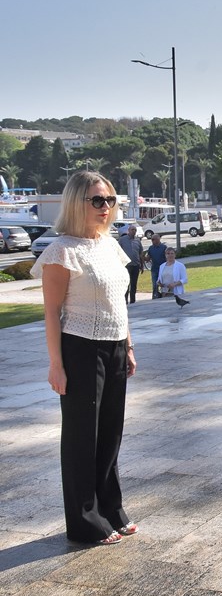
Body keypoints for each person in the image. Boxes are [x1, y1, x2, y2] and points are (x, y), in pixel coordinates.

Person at [31, 170, 139, 546]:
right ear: (77, 203)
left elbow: (118, 303)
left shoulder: (110, 245)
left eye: (110, 199)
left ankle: (110, 508)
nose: (105, 207)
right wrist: (56, 364)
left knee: (110, 434)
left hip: (114, 346)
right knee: (82, 438)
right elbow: (51, 312)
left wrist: (128, 346)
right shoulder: (62, 251)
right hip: (80, 349)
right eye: (96, 200)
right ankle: (84, 521)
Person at [119, 223, 144, 304]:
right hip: (126, 266)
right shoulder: (122, 240)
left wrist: (142, 265)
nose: (134, 231)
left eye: (135, 230)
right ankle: (125, 301)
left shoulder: (137, 240)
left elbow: (141, 253)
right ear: (128, 230)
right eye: (132, 230)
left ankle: (133, 301)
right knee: (126, 283)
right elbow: (118, 252)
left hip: (136, 265)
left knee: (134, 283)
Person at [145, 233, 168, 299]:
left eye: (153, 239)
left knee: (164, 284)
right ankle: (155, 297)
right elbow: (148, 258)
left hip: (163, 269)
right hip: (154, 269)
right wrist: (143, 257)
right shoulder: (151, 248)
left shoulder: (164, 247)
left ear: (158, 239)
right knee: (155, 285)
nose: (152, 241)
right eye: (151, 239)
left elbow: (167, 258)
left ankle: (164, 296)